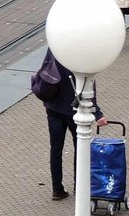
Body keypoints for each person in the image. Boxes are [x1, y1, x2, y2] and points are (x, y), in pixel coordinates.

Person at [36, 47, 101, 200]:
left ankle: (57, 189)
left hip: (53, 107)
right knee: (80, 147)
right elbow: (89, 86)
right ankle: (79, 186)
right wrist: (97, 113)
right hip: (73, 110)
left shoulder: (56, 44)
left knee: (56, 149)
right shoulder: (79, 52)